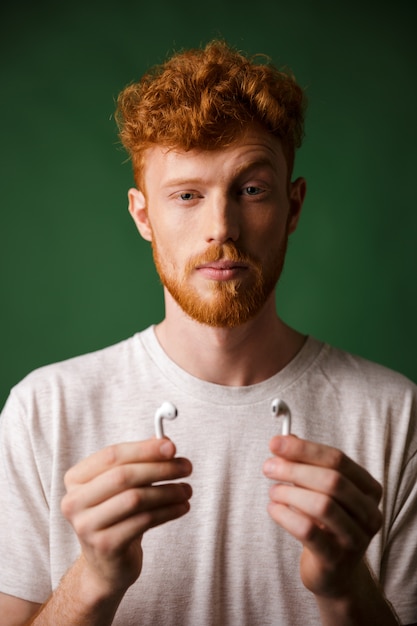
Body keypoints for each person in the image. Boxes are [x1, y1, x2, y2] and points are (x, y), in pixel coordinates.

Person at [0, 40, 416, 626]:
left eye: (251, 189)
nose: (221, 228)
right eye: (187, 195)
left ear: (293, 207)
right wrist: (92, 579)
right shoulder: (42, 411)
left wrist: (347, 591)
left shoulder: (396, 414)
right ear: (143, 216)